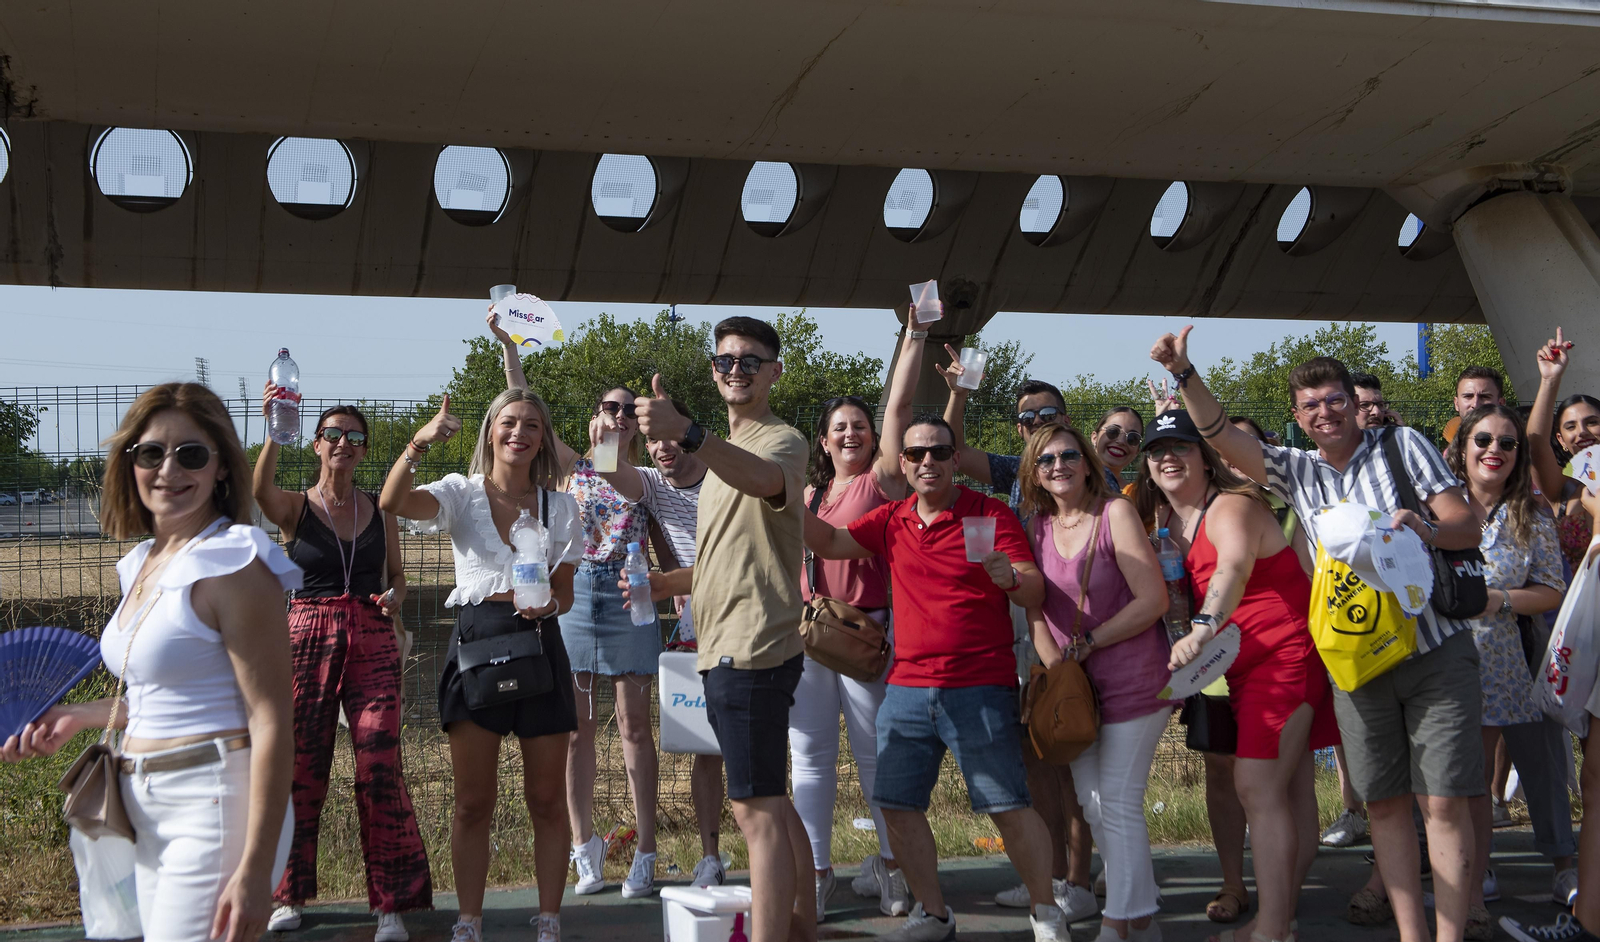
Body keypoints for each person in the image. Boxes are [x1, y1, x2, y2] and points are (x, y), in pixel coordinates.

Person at [1149, 326, 1483, 942]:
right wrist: (1184, 374)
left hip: (1432, 646)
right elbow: (1221, 434)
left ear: (1355, 405)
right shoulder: (1296, 472)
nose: (1325, 412)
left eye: (1335, 400)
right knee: (1382, 804)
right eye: (1311, 406)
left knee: (1441, 802)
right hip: (1355, 662)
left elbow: (1466, 524)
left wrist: (1425, 530)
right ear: (1298, 420)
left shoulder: (1403, 445)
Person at [2, 382, 299, 942]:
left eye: (191, 453)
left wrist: (257, 872)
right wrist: (75, 717)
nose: (169, 469)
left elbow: (273, 720)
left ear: (221, 470)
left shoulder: (232, 563)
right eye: (150, 452)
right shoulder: (143, 562)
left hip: (213, 802)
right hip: (140, 802)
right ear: (129, 463)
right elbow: (165, 689)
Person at [803, 416, 1065, 942]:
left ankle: (1047, 912)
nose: (928, 462)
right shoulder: (891, 519)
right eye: (917, 453)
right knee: (896, 806)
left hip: (979, 684)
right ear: (903, 462)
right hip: (905, 688)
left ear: (954, 459)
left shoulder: (988, 513)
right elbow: (830, 542)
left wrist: (1010, 578)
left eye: (940, 452)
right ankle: (934, 913)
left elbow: (1034, 590)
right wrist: (776, 495)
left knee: (1008, 805)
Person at [625, 316, 816, 942]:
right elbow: (717, 560)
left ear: (774, 372)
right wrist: (662, 587)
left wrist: (690, 431)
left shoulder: (780, 441)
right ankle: (802, 922)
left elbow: (765, 481)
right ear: (713, 370)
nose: (736, 369)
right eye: (726, 360)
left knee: (754, 811)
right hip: (718, 647)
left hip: (753, 646)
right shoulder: (704, 469)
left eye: (751, 361)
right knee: (768, 800)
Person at [379, 388, 584, 942]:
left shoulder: (560, 506)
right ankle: (469, 922)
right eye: (509, 422)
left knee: (546, 798)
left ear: (543, 439)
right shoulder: (458, 492)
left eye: (532, 426)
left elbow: (563, 591)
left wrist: (550, 604)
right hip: (476, 645)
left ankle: (549, 920)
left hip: (540, 643)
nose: (519, 433)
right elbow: (393, 502)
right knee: (473, 802)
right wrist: (420, 442)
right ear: (490, 430)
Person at [486, 309, 664, 898]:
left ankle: (645, 850)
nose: (615, 416)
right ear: (594, 416)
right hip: (578, 592)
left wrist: (606, 446)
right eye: (607, 407)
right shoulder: (572, 465)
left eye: (626, 409)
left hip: (628, 595)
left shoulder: (636, 474)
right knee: (575, 730)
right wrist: (511, 345)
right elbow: (520, 402)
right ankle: (585, 848)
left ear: (636, 425)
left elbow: (618, 479)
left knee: (636, 727)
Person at [1143, 412, 1339, 942]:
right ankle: (1280, 918)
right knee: (1289, 792)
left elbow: (1230, 568)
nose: (1169, 457)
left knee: (1256, 787)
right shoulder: (1166, 521)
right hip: (1243, 668)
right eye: (1157, 449)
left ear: (1205, 455)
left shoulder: (1231, 506)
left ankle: (1272, 928)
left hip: (1285, 657)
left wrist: (1203, 627)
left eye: (1181, 446)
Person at [253, 394, 431, 940]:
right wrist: (273, 431)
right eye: (333, 434)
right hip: (307, 635)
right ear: (317, 443)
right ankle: (286, 893)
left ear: (364, 451)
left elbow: (397, 577)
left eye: (355, 438)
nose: (343, 445)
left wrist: (395, 598)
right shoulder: (296, 507)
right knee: (301, 765)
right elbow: (259, 490)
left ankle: (390, 903)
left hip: (373, 638)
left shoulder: (381, 510)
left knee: (379, 762)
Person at [943, 353, 1097, 918]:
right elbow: (950, 451)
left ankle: (1080, 881)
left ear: (1066, 418)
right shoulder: (1015, 472)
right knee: (1035, 753)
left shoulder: (1081, 471)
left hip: (1069, 626)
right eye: (1027, 419)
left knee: (1069, 753)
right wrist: (961, 391)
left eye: (1047, 414)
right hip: (1022, 624)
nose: (1036, 425)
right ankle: (1052, 876)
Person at [790, 318, 927, 921]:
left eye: (860, 427)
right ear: (823, 441)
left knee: (876, 755)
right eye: (839, 428)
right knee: (811, 757)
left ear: (875, 440)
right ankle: (816, 873)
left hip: (866, 633)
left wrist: (915, 338)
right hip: (808, 637)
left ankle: (893, 868)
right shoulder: (808, 497)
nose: (851, 434)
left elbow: (898, 404)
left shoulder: (882, 483)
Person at [1017, 421, 1171, 942]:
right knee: (1095, 803)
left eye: (1067, 456)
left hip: (1133, 680)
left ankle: (1117, 925)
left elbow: (1154, 600)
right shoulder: (1035, 527)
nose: (1058, 466)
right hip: (1074, 691)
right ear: (1034, 474)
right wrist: (1058, 666)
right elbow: (1035, 609)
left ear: (1086, 463)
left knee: (1120, 800)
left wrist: (1091, 643)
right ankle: (1143, 913)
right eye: (1046, 460)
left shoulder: (1116, 513)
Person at [588, 395, 729, 889]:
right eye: (651, 440)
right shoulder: (649, 484)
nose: (662, 447)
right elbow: (607, 471)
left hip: (747, 620)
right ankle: (710, 857)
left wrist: (677, 581)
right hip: (697, 628)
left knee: (766, 748)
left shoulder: (726, 476)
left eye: (670, 434)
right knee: (705, 748)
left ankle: (797, 861)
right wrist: (607, 435)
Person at [1442, 405, 1568, 939]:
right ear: (1463, 448)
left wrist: (1498, 599)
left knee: (1472, 788)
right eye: (1484, 440)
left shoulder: (1532, 515)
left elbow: (1552, 590)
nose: (1495, 450)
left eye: (1508, 444)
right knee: (1440, 786)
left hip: (1497, 660)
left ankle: (1472, 896)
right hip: (1436, 655)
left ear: (1518, 456)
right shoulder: (1437, 506)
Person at [1526, 328, 1600, 571]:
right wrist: (1550, 379)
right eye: (1571, 426)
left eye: (1592, 422)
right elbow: (1535, 444)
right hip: (1579, 605)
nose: (1582, 432)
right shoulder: (1564, 488)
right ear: (1560, 439)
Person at [1091, 407, 1144, 490]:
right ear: (1094, 437)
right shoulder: (1074, 481)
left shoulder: (1135, 495)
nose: (1121, 441)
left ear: (1137, 451)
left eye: (1132, 438)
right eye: (1113, 431)